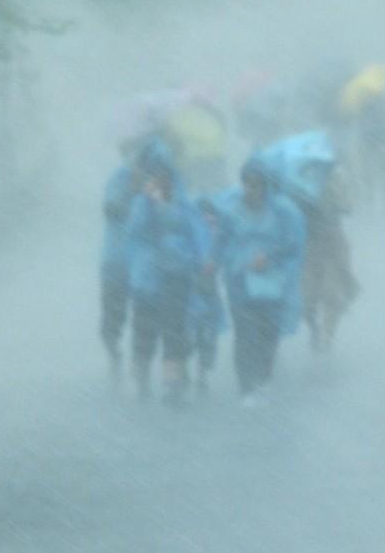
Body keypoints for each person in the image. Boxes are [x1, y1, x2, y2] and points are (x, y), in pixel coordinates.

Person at [124, 143, 209, 404]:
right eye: (156, 174)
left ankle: (172, 382)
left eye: (165, 174)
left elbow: (197, 236)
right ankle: (141, 380)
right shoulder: (142, 203)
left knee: (174, 330)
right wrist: (150, 202)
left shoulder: (184, 204)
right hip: (147, 280)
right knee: (144, 331)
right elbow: (135, 232)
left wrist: (200, 263)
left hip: (176, 277)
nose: (161, 179)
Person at [218, 159, 306, 405]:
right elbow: (221, 242)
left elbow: (293, 245)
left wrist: (269, 257)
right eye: (248, 183)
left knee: (269, 334)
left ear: (266, 186)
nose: (252, 189)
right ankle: (246, 387)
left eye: (257, 185)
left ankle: (262, 379)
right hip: (239, 282)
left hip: (271, 283)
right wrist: (221, 262)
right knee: (244, 334)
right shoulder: (230, 210)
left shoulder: (283, 212)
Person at [301, 172, 359, 354]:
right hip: (308, 244)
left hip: (334, 243)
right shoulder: (297, 184)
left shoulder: (336, 179)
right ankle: (314, 329)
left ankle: (328, 337)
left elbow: (348, 207)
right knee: (307, 298)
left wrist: (335, 196)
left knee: (333, 293)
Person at [100, 144, 143, 388]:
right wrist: (132, 191)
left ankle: (140, 361)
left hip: (143, 266)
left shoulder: (161, 179)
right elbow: (111, 209)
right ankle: (114, 352)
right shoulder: (118, 179)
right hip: (115, 261)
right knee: (111, 320)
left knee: (143, 318)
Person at [187, 197, 229, 395]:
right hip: (200, 287)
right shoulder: (213, 226)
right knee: (203, 330)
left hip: (201, 287)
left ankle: (200, 368)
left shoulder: (211, 229)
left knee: (201, 330)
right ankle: (201, 369)